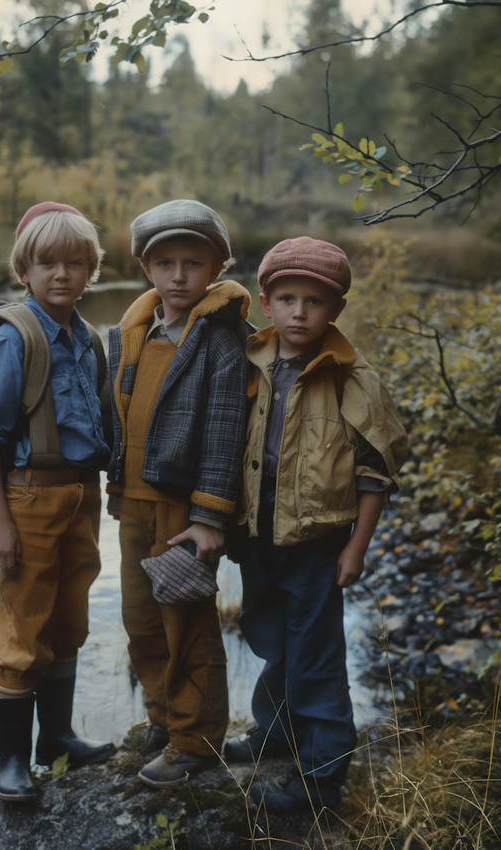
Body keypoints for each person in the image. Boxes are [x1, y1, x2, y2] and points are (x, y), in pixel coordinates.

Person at [226, 236, 407, 814]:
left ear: (335, 311)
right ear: (265, 300)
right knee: (271, 640)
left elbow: (374, 475)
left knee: (316, 656)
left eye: (313, 302)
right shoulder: (250, 363)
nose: (298, 313)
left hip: (319, 545)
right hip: (259, 538)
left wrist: (356, 548)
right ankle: (274, 732)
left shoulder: (355, 381)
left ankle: (320, 777)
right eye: (286, 299)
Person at [0, 202, 116, 802]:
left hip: (81, 494)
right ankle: (11, 764)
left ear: (91, 270)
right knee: (22, 627)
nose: (62, 274)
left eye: (76, 263)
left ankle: (57, 740)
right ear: (24, 268)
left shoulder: (84, 336)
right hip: (26, 496)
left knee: (68, 620)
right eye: (47, 262)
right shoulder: (12, 336)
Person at [106, 199, 250, 786]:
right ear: (147, 269)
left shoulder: (221, 338)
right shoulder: (132, 331)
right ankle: (163, 719)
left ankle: (196, 738)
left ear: (217, 266)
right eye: (165, 263)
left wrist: (210, 515)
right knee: (141, 617)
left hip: (184, 508)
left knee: (185, 618)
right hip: (134, 500)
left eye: (194, 262)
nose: (179, 276)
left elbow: (223, 432)